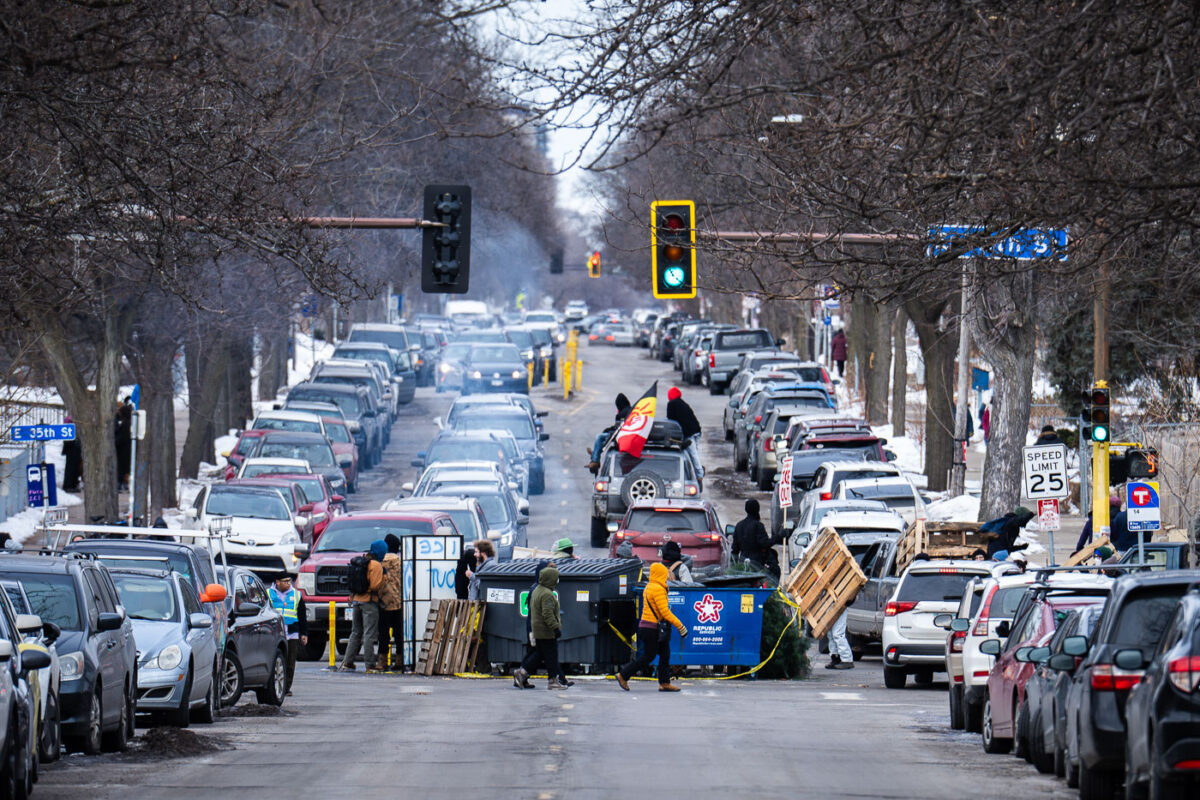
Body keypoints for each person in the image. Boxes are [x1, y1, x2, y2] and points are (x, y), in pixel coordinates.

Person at [615, 562, 688, 692]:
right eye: (664, 575)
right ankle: (623, 675)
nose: (666, 577)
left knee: (665, 654)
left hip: (651, 627)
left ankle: (664, 683)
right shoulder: (657, 589)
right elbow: (665, 612)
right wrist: (680, 626)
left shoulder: (651, 586)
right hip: (652, 628)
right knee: (649, 655)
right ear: (660, 575)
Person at [512, 563, 567, 690]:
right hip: (545, 631)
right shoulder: (547, 594)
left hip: (538, 629)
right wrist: (555, 628)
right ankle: (551, 681)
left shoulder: (537, 589)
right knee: (550, 655)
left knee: (540, 654)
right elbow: (547, 614)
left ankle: (522, 674)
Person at [340, 539, 385, 672]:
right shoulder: (376, 565)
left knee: (355, 632)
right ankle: (370, 664)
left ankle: (348, 662)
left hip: (356, 600)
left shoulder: (362, 562)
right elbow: (375, 585)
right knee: (369, 634)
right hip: (369, 602)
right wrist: (385, 578)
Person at [268, 573, 308, 694]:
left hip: (292, 633)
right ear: (277, 582)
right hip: (274, 633)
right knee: (276, 661)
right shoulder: (268, 594)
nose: (288, 584)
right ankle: (273, 687)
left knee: (290, 662)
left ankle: (286, 688)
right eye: (285, 581)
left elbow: (302, 616)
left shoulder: (296, 595)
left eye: (289, 581)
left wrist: (304, 634)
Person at [731, 499, 781, 578]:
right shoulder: (758, 525)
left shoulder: (739, 525)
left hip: (742, 565)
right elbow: (765, 543)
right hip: (757, 565)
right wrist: (779, 536)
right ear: (758, 509)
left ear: (746, 510)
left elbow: (735, 549)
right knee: (775, 571)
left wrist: (734, 567)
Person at [375, 534, 404, 671]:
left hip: (383, 603)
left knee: (383, 634)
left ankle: (382, 662)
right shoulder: (402, 562)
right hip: (399, 602)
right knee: (399, 633)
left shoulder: (379, 561)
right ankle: (400, 660)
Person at [588, 393, 633, 470]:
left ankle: (595, 459)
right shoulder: (631, 410)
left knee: (600, 437)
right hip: (629, 434)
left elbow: (618, 428)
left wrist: (607, 430)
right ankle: (595, 454)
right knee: (605, 438)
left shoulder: (621, 414)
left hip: (621, 435)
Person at [666, 387, 704, 477]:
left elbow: (671, 420)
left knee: (692, 455)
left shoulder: (672, 404)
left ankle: (699, 475)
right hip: (696, 430)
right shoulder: (683, 403)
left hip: (688, 434)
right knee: (694, 455)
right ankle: (698, 473)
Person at [114, 400, 132, 490]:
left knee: (121, 467)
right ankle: (124, 483)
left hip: (123, 449)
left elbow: (121, 437)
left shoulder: (124, 424)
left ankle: (120, 483)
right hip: (128, 448)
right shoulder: (129, 422)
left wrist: (116, 442)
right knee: (126, 467)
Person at [61, 416, 82, 492]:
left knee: (75, 467)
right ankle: (69, 485)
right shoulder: (71, 419)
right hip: (71, 446)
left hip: (74, 445)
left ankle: (72, 484)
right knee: (71, 467)